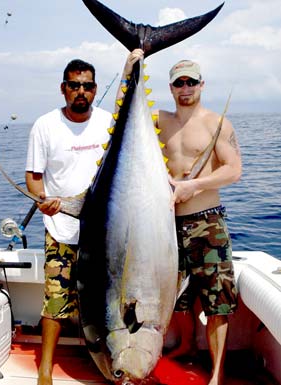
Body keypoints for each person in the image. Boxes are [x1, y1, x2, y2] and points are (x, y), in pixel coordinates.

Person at [119, 49, 242, 385]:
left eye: (191, 82)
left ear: (202, 84)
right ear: (171, 88)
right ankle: (187, 345)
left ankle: (217, 374)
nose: (185, 88)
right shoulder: (158, 121)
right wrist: (129, 67)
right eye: (179, 83)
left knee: (217, 301)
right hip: (167, 227)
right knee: (177, 298)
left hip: (207, 221)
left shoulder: (217, 124)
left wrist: (195, 186)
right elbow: (121, 116)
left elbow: (234, 171)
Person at [25, 59, 112, 385]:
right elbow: (33, 177)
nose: (81, 91)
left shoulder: (109, 121)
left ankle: (106, 361)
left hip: (105, 232)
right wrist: (42, 201)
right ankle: (45, 370)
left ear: (94, 89)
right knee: (56, 300)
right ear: (63, 88)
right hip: (61, 229)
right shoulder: (45, 126)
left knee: (106, 303)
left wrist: (133, 65)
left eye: (87, 86)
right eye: (74, 85)